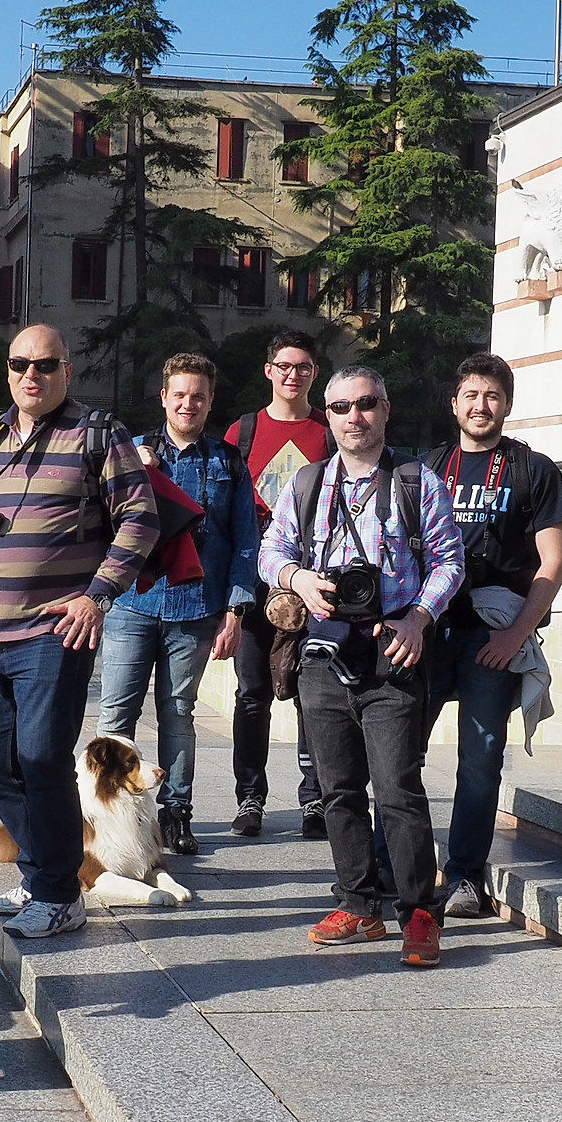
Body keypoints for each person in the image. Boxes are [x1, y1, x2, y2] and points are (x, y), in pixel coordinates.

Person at [0, 324, 160, 941]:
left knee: (42, 759)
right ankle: (48, 870)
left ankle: (58, 893)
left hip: (54, 630)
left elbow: (140, 519)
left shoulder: (100, 433)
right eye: (19, 365)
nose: (30, 376)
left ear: (66, 371)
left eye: (44, 365)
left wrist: (98, 597)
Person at [260, 365, 463, 967]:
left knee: (398, 789)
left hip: (392, 651)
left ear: (385, 408)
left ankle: (419, 910)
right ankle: (358, 903)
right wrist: (298, 578)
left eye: (366, 404)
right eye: (343, 407)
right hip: (322, 652)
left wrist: (417, 619)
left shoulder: (416, 481)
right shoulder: (306, 483)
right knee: (337, 789)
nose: (355, 417)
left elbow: (449, 563)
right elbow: (272, 550)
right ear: (328, 414)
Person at [421, 355, 562, 918]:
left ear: (507, 404)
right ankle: (397, 867)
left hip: (494, 631)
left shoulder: (533, 470)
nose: (480, 406)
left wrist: (516, 634)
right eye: (470, 395)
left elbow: (553, 564)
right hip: (430, 630)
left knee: (480, 758)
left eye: (492, 395)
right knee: (400, 753)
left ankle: (463, 874)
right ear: (454, 403)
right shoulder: (428, 468)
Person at [100, 353, 258, 857]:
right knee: (117, 713)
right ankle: (107, 811)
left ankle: (175, 812)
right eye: (180, 394)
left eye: (199, 395)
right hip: (133, 601)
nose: (188, 403)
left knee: (178, 713)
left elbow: (245, 541)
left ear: (211, 402)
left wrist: (236, 610)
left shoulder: (227, 461)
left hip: (196, 607)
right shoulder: (132, 452)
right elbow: (102, 521)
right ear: (163, 397)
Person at [225, 330, 334, 839]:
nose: (294, 375)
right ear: (268, 370)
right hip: (254, 578)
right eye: (284, 366)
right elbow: (220, 511)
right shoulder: (242, 432)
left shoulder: (329, 430)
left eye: (304, 366)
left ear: (314, 373)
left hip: (315, 579)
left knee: (314, 691)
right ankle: (250, 796)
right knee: (252, 693)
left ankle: (316, 798)